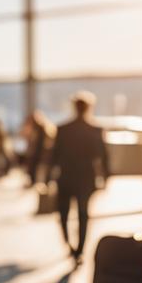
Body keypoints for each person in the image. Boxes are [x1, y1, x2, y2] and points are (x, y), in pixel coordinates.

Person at [50, 91, 110, 265]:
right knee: (83, 214)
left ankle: (71, 246)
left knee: (64, 214)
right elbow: (104, 157)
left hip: (66, 177)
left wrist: (47, 178)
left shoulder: (63, 129)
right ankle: (80, 250)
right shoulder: (95, 130)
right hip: (86, 178)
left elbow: (54, 156)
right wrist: (106, 177)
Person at [21, 110, 55, 187]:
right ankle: (35, 182)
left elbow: (45, 142)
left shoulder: (42, 128)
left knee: (39, 169)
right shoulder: (33, 128)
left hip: (41, 153)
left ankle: (41, 183)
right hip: (35, 153)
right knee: (33, 168)